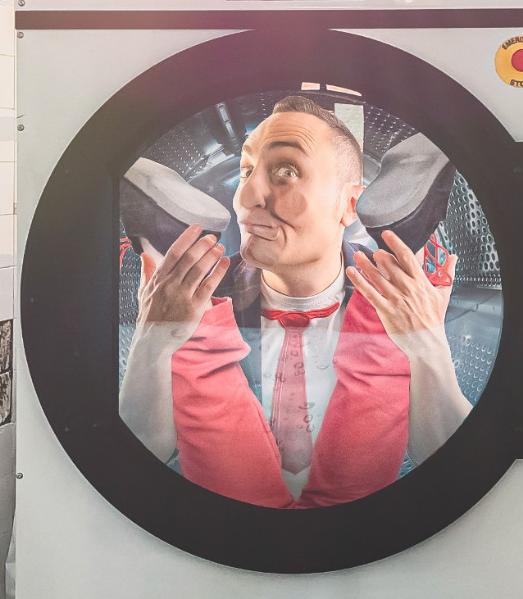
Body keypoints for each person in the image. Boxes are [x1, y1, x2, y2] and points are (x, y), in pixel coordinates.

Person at [119, 96, 472, 508]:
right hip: (234, 531)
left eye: (286, 171)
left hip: (352, 531)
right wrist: (153, 338)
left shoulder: (405, 301)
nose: (245, 198)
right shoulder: (187, 298)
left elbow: (449, 458)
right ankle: (407, 234)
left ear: (350, 205)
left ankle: (405, 246)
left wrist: (427, 345)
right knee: (197, 320)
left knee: (382, 315)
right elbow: (139, 453)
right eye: (246, 170)